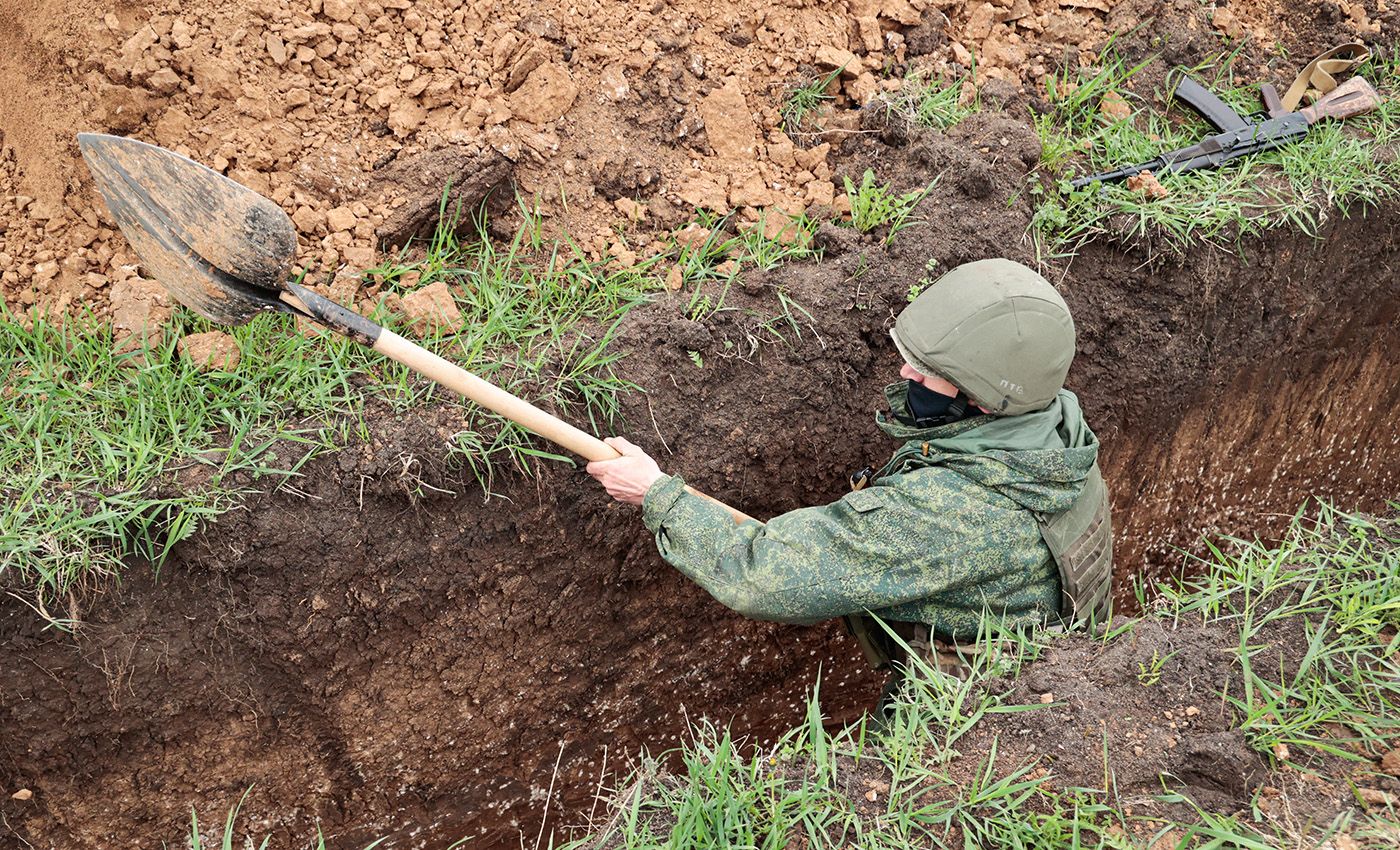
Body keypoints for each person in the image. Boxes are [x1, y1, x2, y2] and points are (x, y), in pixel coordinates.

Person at [586, 258, 1113, 689]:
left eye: (930, 373)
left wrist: (656, 494)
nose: (907, 374)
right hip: (1053, 667)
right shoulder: (1055, 435)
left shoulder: (951, 513)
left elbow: (769, 577)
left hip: (978, 720)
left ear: (982, 400)